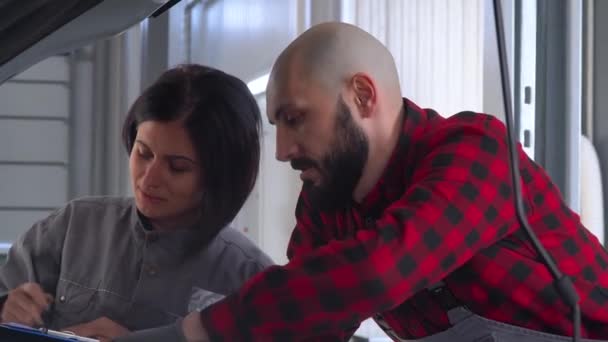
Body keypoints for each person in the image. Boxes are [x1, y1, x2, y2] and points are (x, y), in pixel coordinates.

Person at [173, 22, 608, 342]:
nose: (282, 149)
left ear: (363, 96)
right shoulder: (327, 204)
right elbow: (308, 318)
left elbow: (380, 269)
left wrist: (197, 331)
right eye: (277, 125)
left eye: (295, 119)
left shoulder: (476, 150)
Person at [0, 64, 273, 341]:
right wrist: (6, 308)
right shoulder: (73, 226)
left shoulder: (250, 278)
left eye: (177, 167)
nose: (149, 178)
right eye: (143, 153)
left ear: (221, 175)